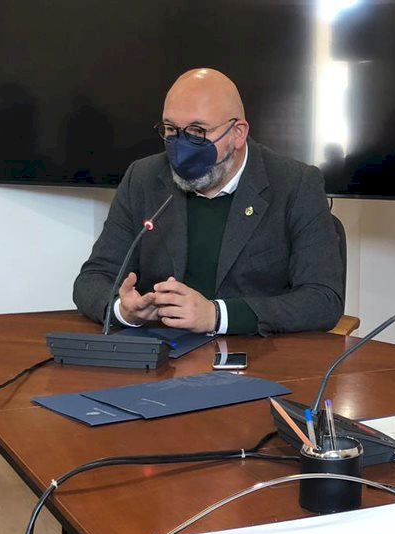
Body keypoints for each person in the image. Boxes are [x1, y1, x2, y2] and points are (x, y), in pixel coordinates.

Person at [73, 68, 344, 336]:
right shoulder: (143, 177)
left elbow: (323, 299)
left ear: (238, 133)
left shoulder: (295, 184)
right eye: (171, 129)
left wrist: (217, 316)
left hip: (256, 352)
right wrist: (124, 310)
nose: (181, 147)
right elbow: (92, 279)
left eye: (197, 132)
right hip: (162, 349)